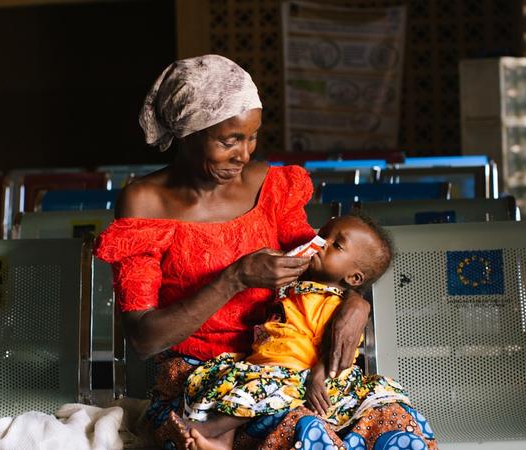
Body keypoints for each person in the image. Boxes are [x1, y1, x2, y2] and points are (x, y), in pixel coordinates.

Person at [94, 54, 437, 450]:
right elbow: (144, 338)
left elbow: (323, 263)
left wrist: (356, 303)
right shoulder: (145, 202)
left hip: (292, 363)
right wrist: (235, 279)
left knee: (394, 419)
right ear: (189, 133)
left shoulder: (268, 184)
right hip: (203, 383)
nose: (244, 154)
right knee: (300, 430)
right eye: (229, 140)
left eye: (252, 137)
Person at [169, 213, 421, 450]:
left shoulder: (331, 302)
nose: (321, 243)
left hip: (296, 371)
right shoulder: (297, 286)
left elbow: (335, 350)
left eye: (336, 245)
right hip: (263, 364)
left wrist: (318, 378)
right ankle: (221, 443)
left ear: (354, 278)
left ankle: (209, 429)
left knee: (253, 392)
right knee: (228, 386)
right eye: (323, 235)